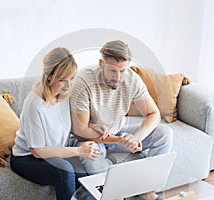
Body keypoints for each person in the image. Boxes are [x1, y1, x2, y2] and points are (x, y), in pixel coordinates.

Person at [69, 40, 173, 200]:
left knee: (164, 133)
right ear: (101, 64)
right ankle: (113, 195)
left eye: (122, 71)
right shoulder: (83, 82)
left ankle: (146, 190)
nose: (118, 78)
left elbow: (153, 114)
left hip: (118, 132)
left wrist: (136, 138)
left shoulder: (132, 79)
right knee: (92, 152)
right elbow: (80, 132)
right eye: (112, 71)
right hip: (93, 139)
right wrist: (119, 141)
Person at [10, 47, 100, 200]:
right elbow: (38, 151)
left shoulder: (64, 95)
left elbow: (73, 125)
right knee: (64, 170)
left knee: (85, 178)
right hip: (26, 158)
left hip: (55, 152)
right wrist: (78, 151)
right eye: (62, 79)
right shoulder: (34, 104)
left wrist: (92, 127)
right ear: (50, 76)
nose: (68, 85)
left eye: (71, 78)